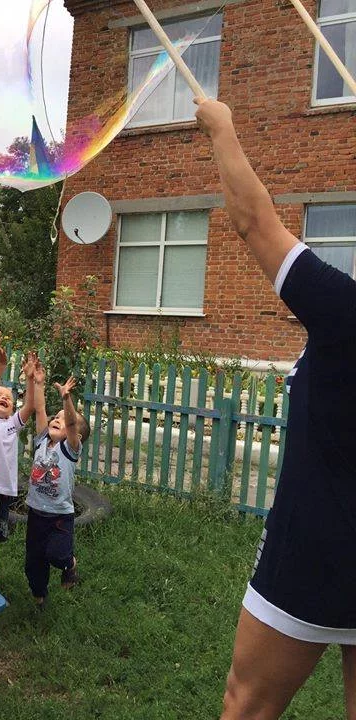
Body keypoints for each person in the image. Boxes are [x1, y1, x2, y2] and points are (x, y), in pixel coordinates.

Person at [196, 98, 356, 719]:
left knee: (247, 705)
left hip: (315, 546)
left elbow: (254, 221)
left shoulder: (344, 311)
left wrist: (222, 127)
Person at [24, 374, 89, 605]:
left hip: (60, 516)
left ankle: (70, 564)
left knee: (57, 555)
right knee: (33, 562)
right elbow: (40, 409)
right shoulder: (42, 441)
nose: (58, 419)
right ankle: (39, 598)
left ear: (75, 436)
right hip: (36, 513)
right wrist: (38, 382)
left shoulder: (69, 449)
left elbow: (71, 423)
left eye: (63, 419)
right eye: (56, 417)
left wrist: (66, 399)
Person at [0, 346, 38, 590]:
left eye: (9, 397)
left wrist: (31, 379)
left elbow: (30, 406)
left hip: (2, 492)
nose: (4, 397)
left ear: (13, 407)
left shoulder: (13, 425)